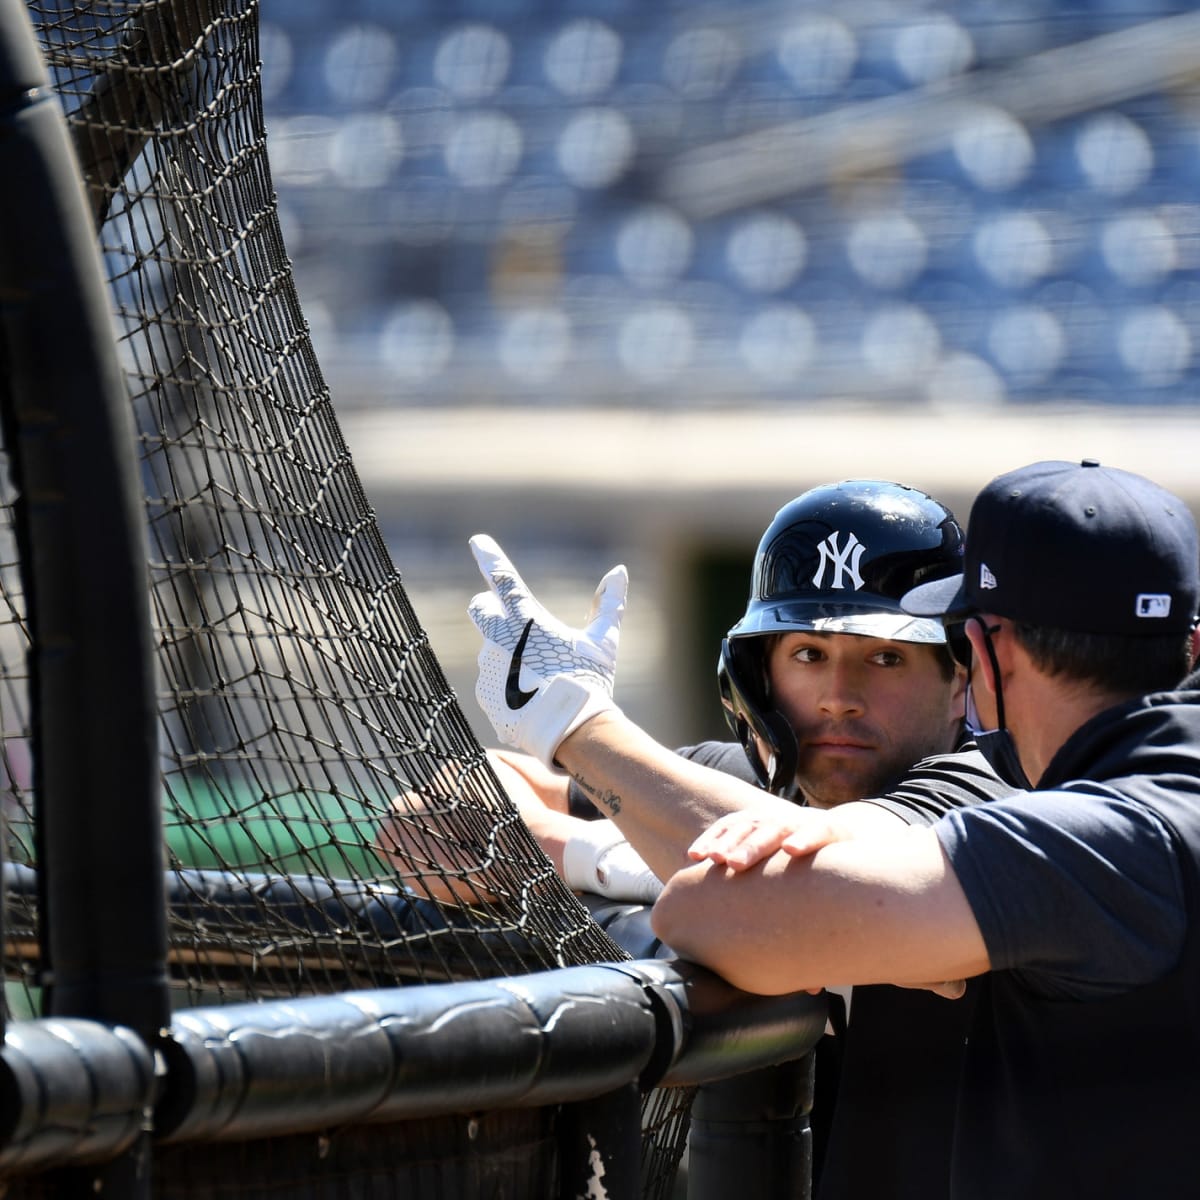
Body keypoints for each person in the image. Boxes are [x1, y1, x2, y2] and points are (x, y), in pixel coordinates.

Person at [466, 458, 1200, 1198]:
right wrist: (615, 839)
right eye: (810, 655)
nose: (840, 699)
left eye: (887, 656)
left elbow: (722, 906)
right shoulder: (1123, 795)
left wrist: (575, 738)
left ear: (971, 663)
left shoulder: (1025, 800)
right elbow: (448, 811)